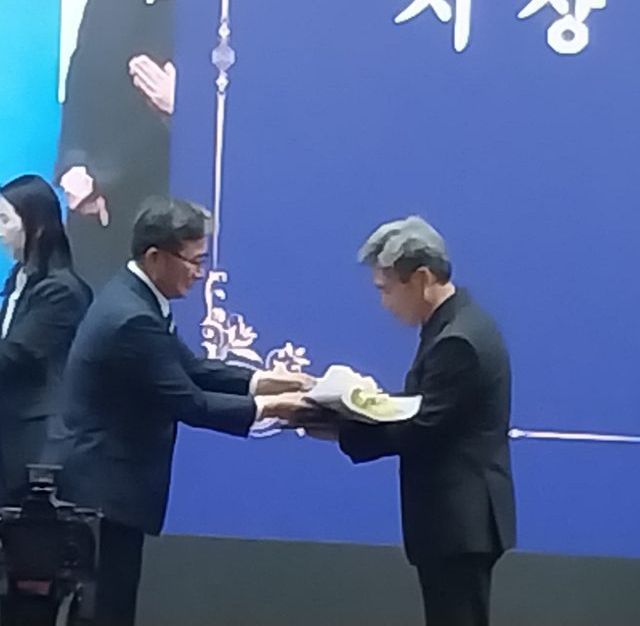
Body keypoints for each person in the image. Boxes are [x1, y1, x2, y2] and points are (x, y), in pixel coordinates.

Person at [60, 196, 312, 626]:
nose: (199, 273)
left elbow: (191, 368)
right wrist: (276, 408)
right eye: (192, 262)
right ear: (155, 257)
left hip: (109, 491)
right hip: (103, 495)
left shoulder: (138, 298)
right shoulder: (132, 318)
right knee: (106, 612)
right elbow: (189, 402)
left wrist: (272, 380)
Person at [312, 216, 516, 626]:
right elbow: (422, 407)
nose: (383, 303)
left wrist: (341, 430)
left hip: (460, 522)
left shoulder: (458, 340)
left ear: (421, 278)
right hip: (456, 522)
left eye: (385, 289)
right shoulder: (454, 323)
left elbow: (423, 426)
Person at [56, 0, 180, 290]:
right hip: (95, 205)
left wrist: (183, 107)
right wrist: (74, 165)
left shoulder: (219, 6)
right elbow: (79, 90)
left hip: (168, 203)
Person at [0, 174, 92, 504]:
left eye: (4, 219)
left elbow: (16, 354)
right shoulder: (19, 278)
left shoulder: (62, 291)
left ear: (36, 226)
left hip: (35, 439)